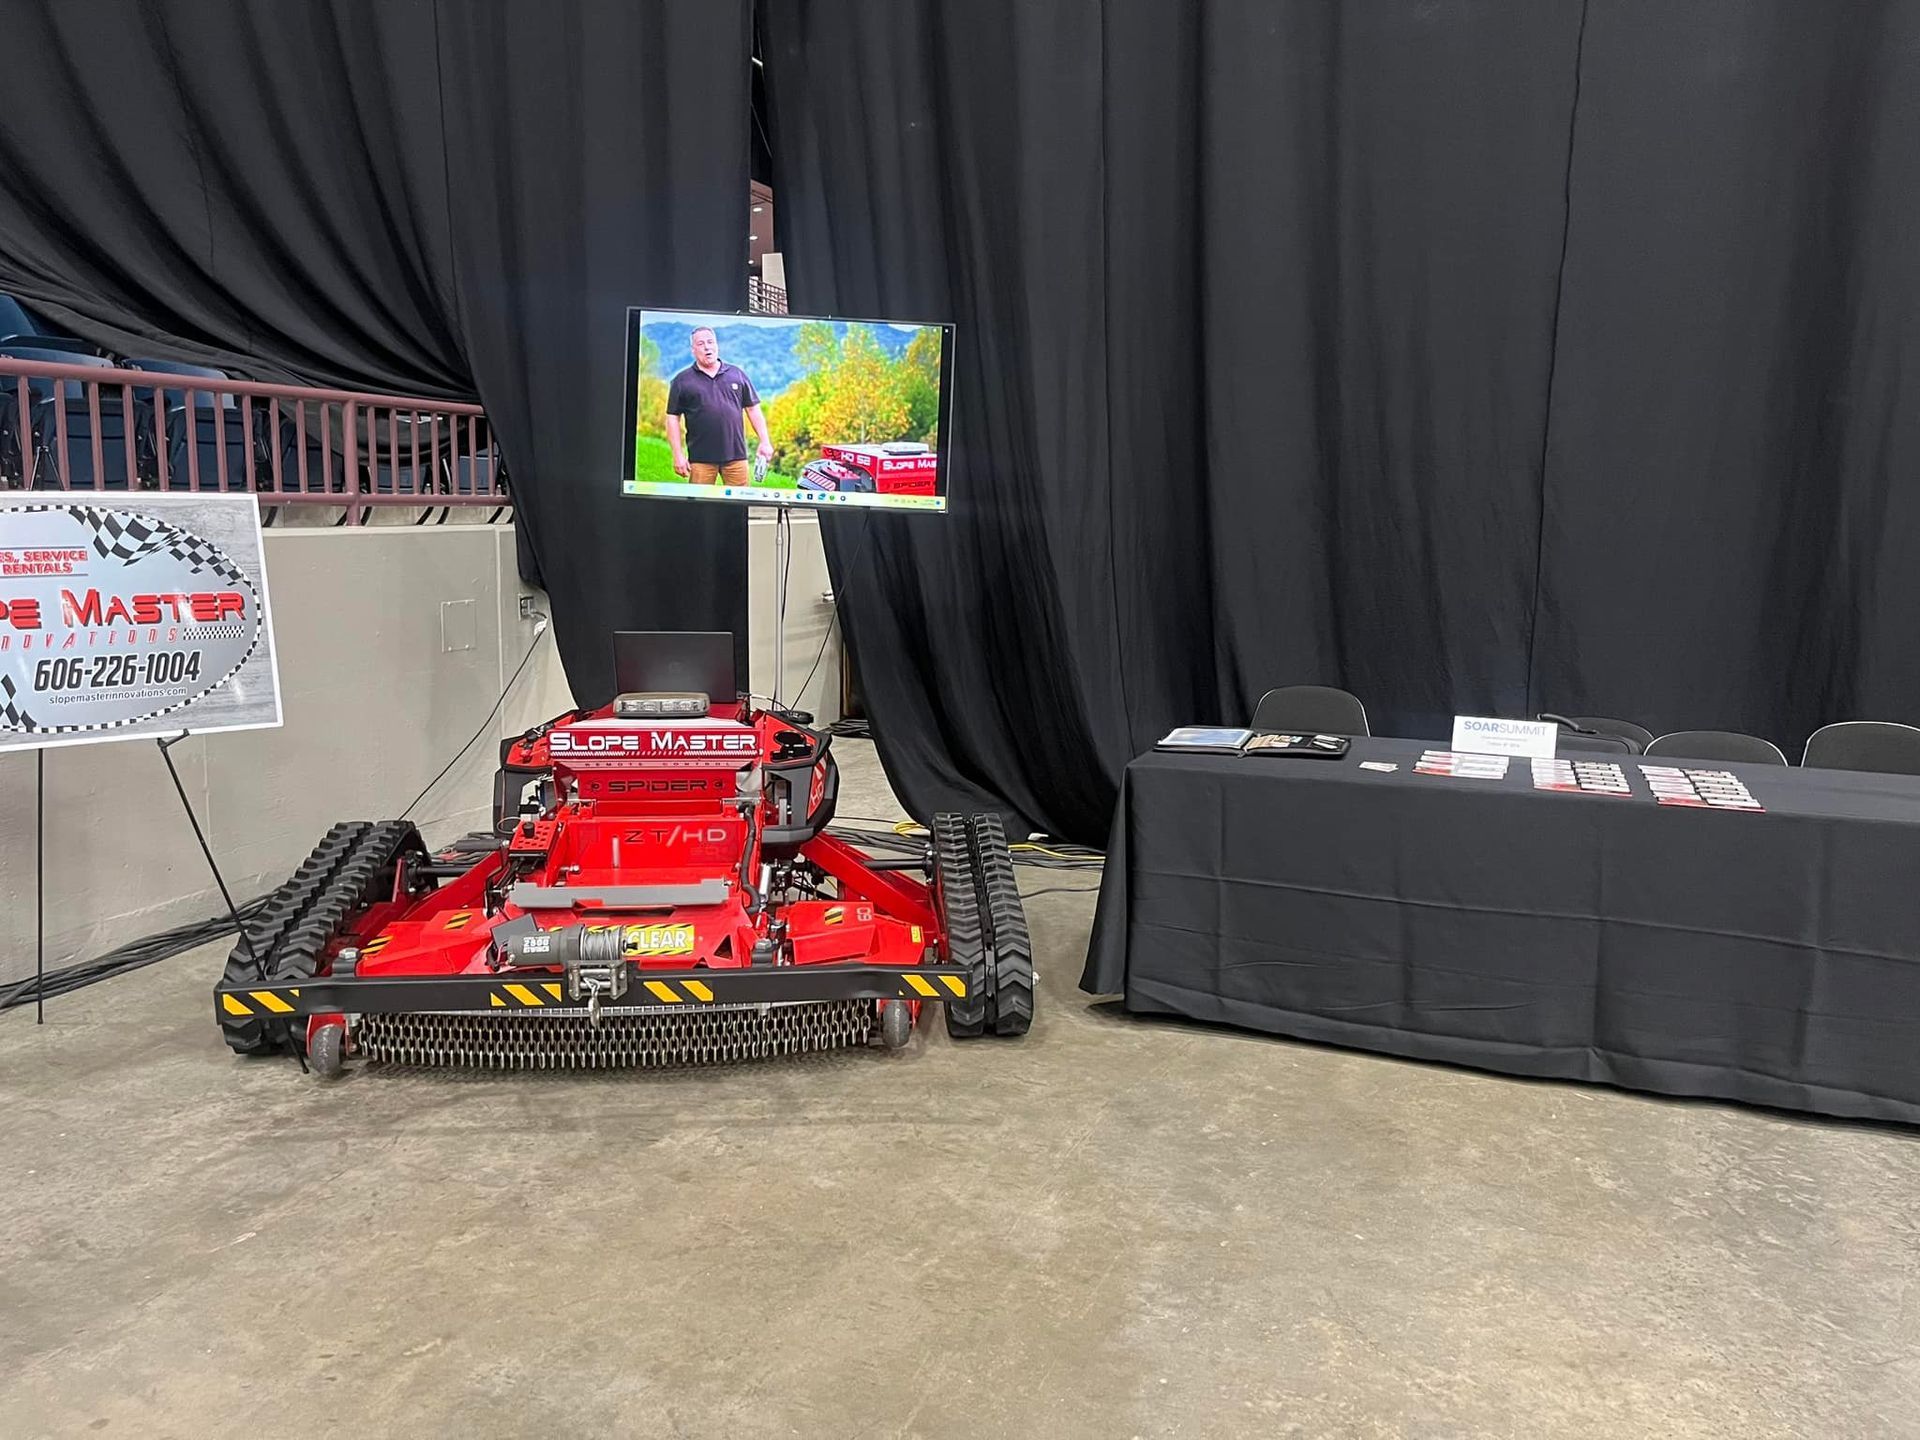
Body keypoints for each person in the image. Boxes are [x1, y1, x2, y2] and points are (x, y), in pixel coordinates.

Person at [664, 326, 774, 486]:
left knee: (739, 507)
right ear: (693, 350)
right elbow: (672, 418)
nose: (707, 347)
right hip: (700, 460)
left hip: (737, 458)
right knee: (699, 507)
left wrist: (765, 441)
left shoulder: (737, 374)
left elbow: (753, 409)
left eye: (710, 342)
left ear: (717, 345)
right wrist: (678, 455)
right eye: (701, 344)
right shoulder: (682, 381)